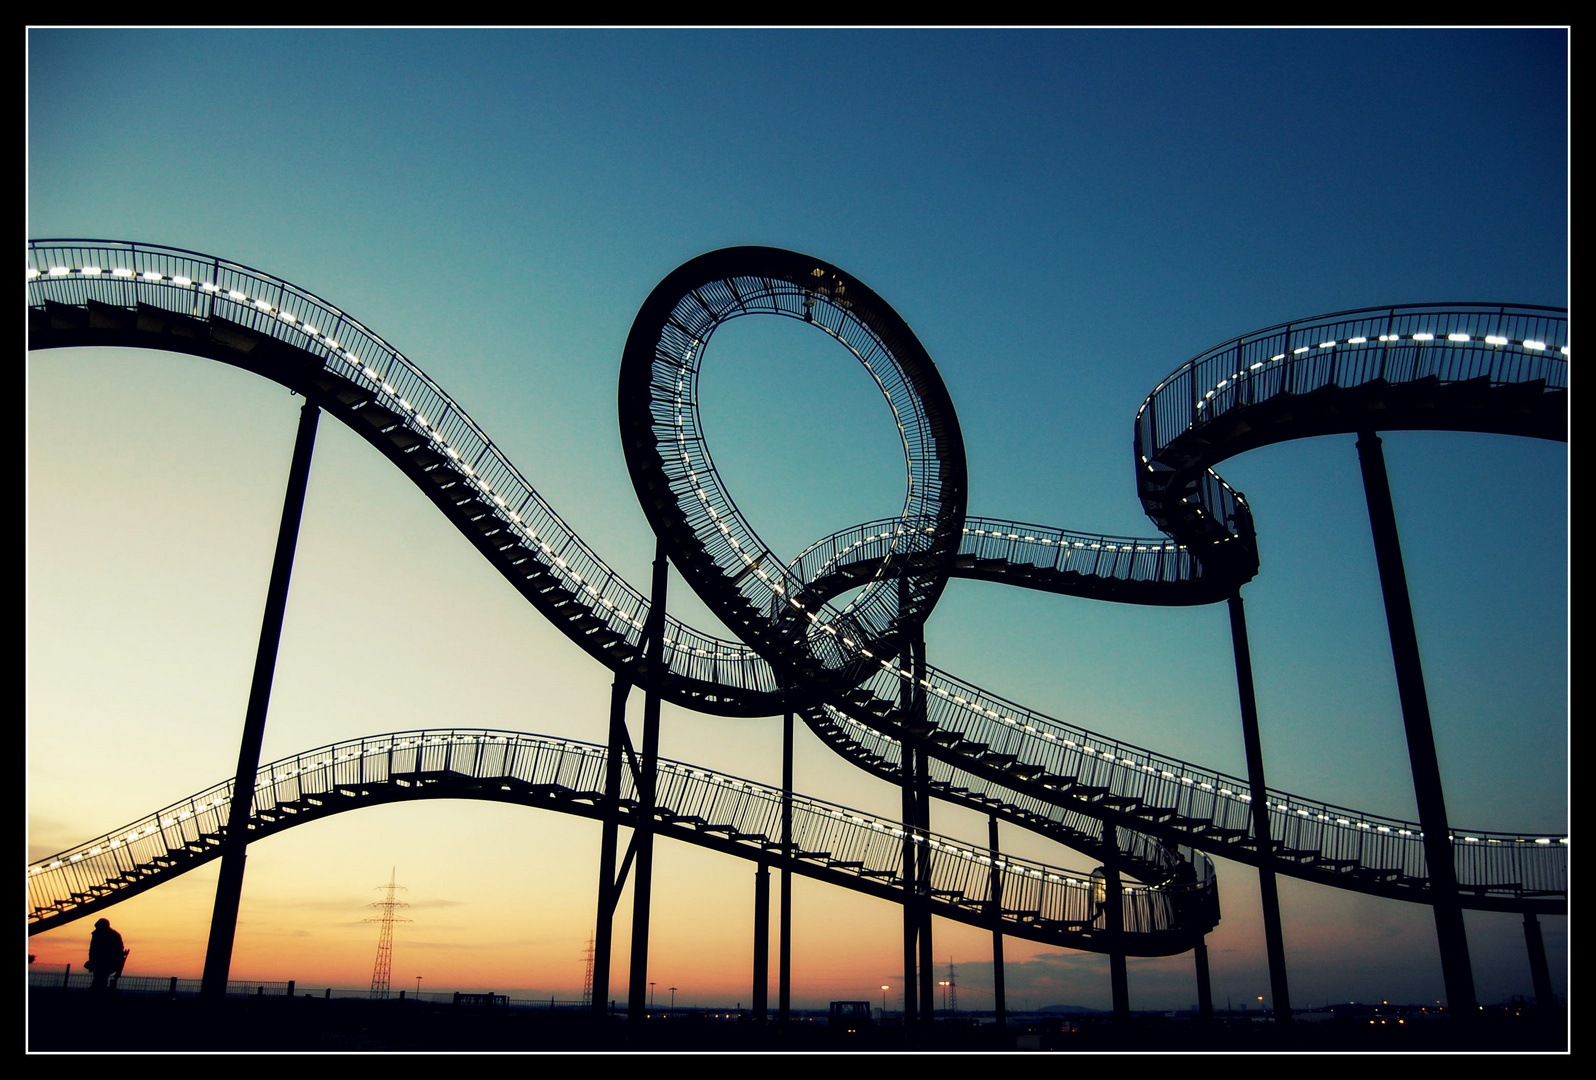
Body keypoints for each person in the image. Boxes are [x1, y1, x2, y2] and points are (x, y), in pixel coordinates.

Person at [86, 918, 125, 992]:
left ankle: (98, 994)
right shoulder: (113, 935)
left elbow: (93, 950)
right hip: (103, 963)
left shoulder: (99, 934)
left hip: (104, 963)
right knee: (100, 979)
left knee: (99, 980)